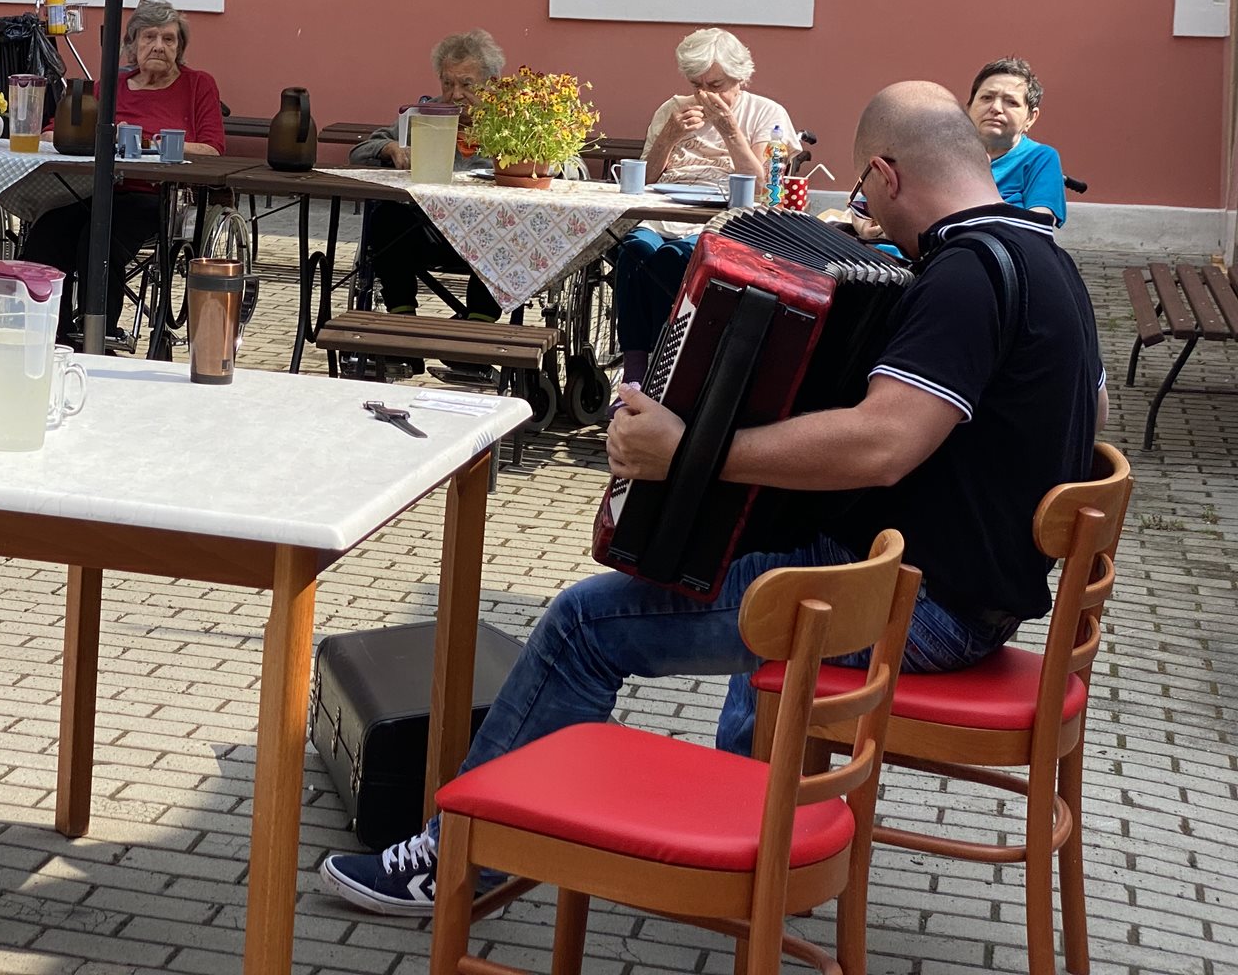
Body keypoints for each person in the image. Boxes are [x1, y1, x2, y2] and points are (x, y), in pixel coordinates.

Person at [319, 81, 1105, 916]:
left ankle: (458, 859)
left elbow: (883, 446)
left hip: (916, 610)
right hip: (975, 598)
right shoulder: (1046, 263)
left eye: (864, 191)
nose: (867, 210)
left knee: (584, 624)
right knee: (755, 576)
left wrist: (691, 450)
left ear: (886, 174)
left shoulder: (965, 278)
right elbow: (1086, 420)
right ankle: (745, 852)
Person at [20, 0, 224, 338]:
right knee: (47, 233)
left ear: (180, 47)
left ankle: (99, 335)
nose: (158, 46)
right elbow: (51, 133)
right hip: (94, 188)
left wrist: (152, 144)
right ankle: (48, 334)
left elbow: (213, 150)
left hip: (156, 197)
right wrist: (92, 136)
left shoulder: (198, 85)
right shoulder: (110, 86)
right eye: (149, 37)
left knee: (97, 237)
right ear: (132, 44)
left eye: (169, 39)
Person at [613, 27, 800, 391]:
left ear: (740, 78)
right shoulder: (673, 109)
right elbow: (644, 180)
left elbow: (762, 186)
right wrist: (669, 135)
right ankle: (634, 374)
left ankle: (665, 370)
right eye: (696, 85)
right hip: (664, 211)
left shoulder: (766, 113)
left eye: (715, 85)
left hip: (720, 219)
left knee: (674, 259)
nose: (705, 95)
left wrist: (729, 130)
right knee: (632, 253)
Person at [350, 29, 502, 335]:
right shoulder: (424, 114)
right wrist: (390, 148)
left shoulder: (515, 120)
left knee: (508, 233)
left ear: (492, 84)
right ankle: (402, 321)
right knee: (387, 215)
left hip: (489, 237)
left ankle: (476, 330)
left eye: (467, 84)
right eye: (447, 83)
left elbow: (567, 163)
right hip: (430, 235)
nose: (455, 94)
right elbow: (360, 152)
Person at [968, 56, 1066, 225]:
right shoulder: (947, 155)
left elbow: (1039, 222)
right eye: (986, 98)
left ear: (1031, 118)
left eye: (1011, 102)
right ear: (968, 107)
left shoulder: (1040, 158)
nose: (996, 108)